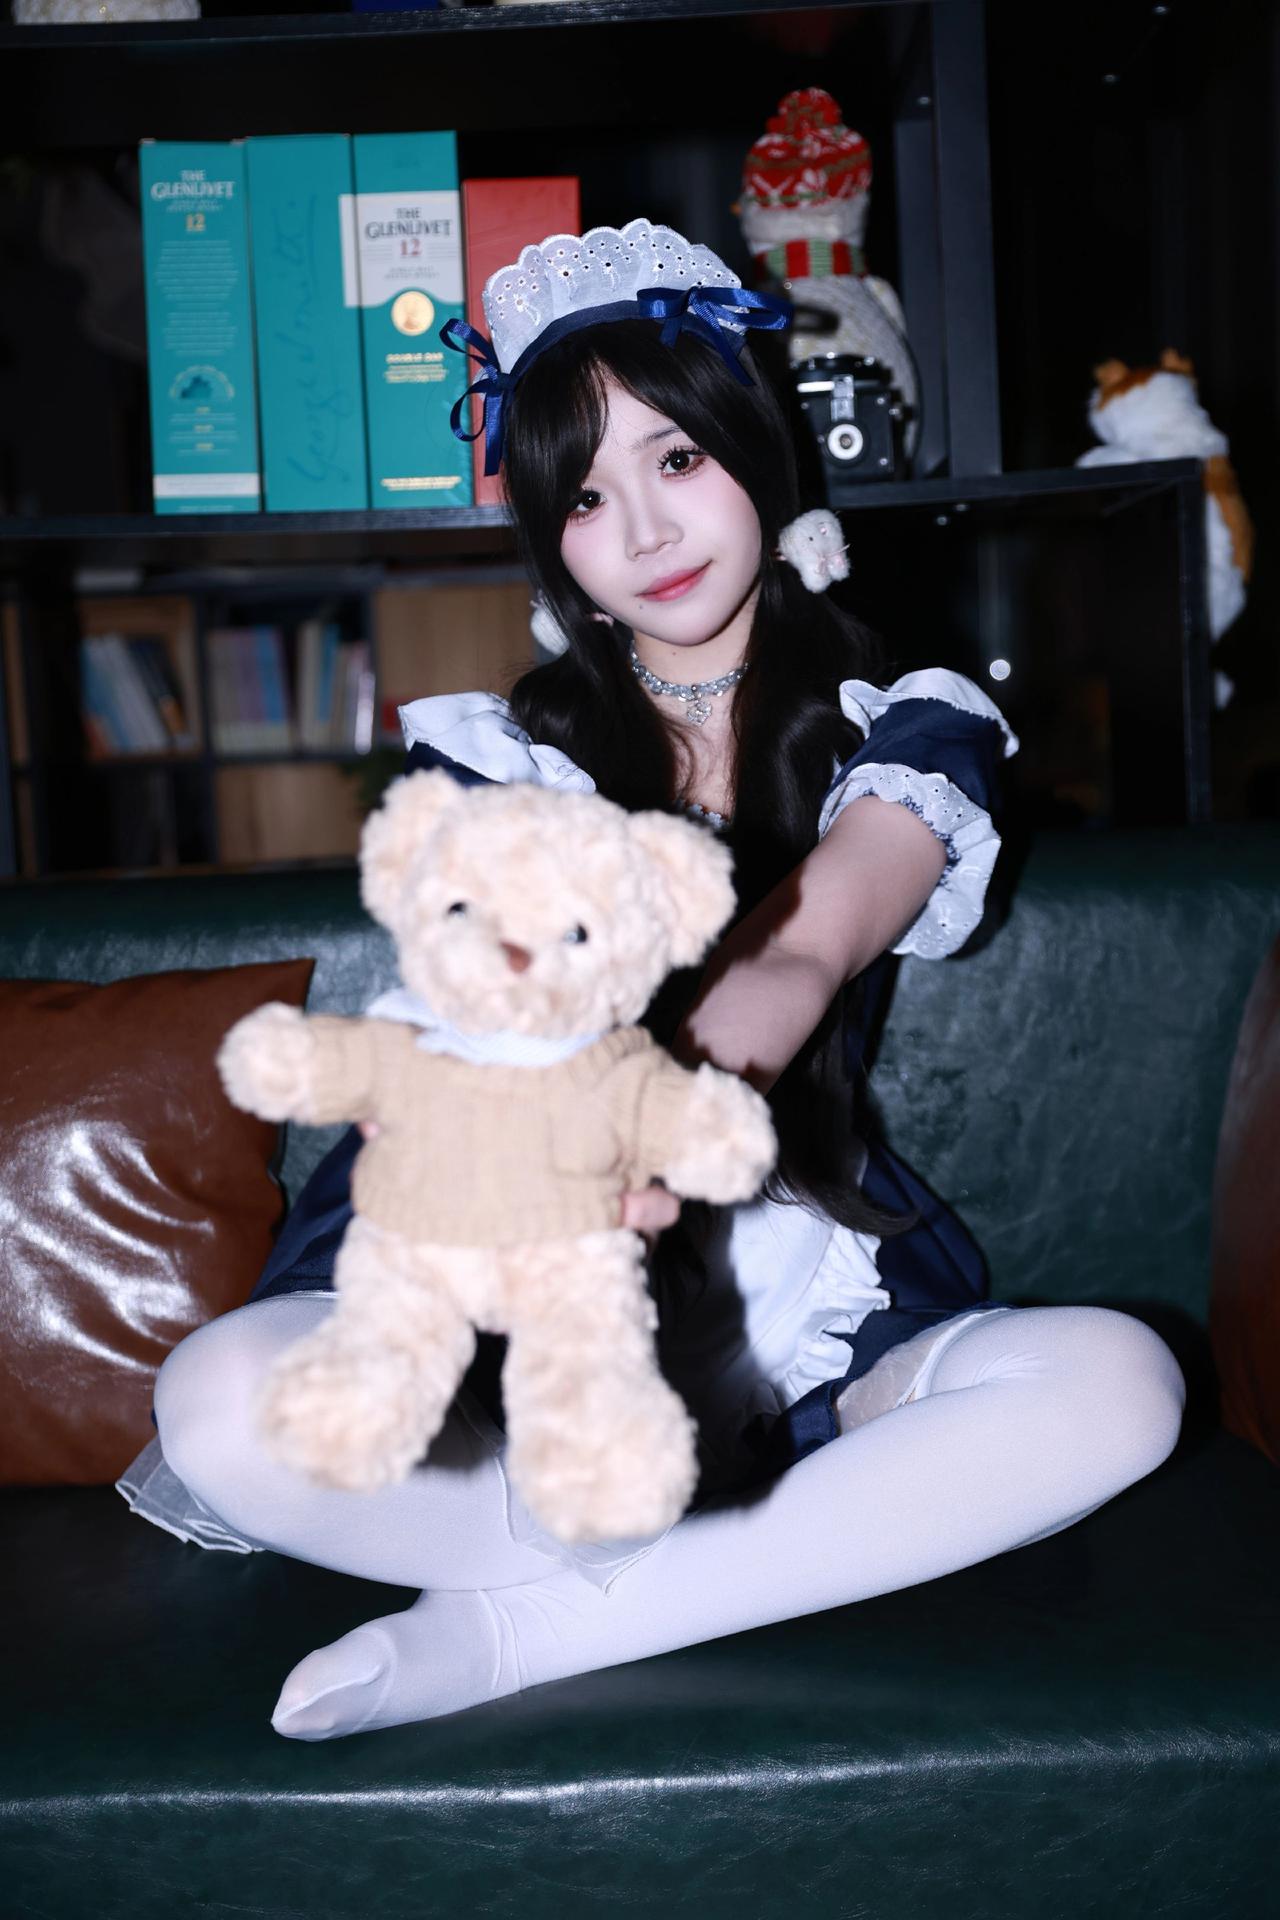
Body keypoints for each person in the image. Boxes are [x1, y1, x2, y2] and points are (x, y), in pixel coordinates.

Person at [115, 218, 1186, 1741]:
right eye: (585, 496)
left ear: (756, 448)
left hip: (787, 1256)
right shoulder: (502, 759)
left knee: (1119, 1385)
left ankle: (516, 1632)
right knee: (220, 1401)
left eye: (678, 458)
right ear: (551, 539)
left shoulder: (904, 731)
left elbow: (809, 944)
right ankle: (626, 1563)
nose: (645, 528)